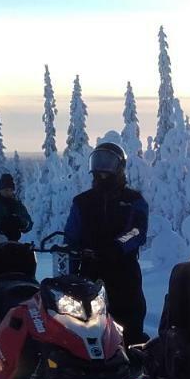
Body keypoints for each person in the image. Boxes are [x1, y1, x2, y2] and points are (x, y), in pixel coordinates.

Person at [64, 142, 150, 344]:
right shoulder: (82, 201)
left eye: (108, 163)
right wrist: (70, 262)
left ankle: (132, 359)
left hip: (122, 269)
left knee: (129, 321)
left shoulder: (133, 200)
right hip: (89, 270)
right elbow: (71, 235)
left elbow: (137, 231)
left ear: (119, 167)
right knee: (84, 320)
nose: (102, 171)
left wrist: (118, 246)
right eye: (98, 162)